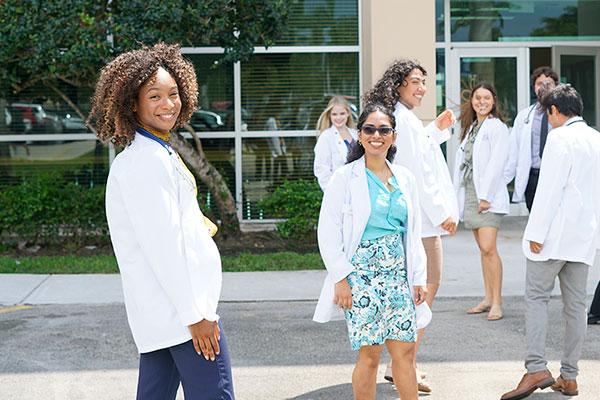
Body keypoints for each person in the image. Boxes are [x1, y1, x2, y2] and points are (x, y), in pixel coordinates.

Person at [88, 43, 234, 400]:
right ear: (132, 103)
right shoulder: (146, 162)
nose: (168, 104)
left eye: (173, 94)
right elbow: (165, 246)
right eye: (154, 96)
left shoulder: (151, 153)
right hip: (184, 317)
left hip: (162, 317)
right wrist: (196, 314)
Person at [313, 103, 431, 400]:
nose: (376, 135)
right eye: (369, 129)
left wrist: (419, 277)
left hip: (398, 275)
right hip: (360, 276)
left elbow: (413, 233)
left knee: (405, 352)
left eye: (384, 129)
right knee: (370, 356)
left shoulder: (405, 178)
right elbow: (327, 232)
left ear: (393, 136)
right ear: (359, 134)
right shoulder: (345, 177)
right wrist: (341, 277)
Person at [363, 59, 458, 392]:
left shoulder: (402, 118)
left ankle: (402, 363)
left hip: (412, 220)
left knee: (417, 292)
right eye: (415, 81)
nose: (422, 88)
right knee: (425, 289)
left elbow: (416, 154)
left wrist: (436, 130)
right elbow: (419, 175)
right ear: (399, 84)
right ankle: (404, 365)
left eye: (424, 82)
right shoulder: (403, 119)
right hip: (423, 222)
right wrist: (443, 212)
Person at [501, 84, 600, 400]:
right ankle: (569, 377)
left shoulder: (559, 138)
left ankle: (536, 368)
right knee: (576, 307)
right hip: (583, 238)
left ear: (555, 111)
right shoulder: (597, 139)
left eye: (548, 114)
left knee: (537, 298)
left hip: (553, 236)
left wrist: (534, 233)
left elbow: (548, 191)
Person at [453, 82, 510, 321]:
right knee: (482, 250)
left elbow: (497, 163)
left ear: (494, 101)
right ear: (472, 101)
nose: (482, 102)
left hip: (487, 194)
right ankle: (487, 298)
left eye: (487, 98)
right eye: (478, 98)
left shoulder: (497, 127)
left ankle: (497, 302)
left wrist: (486, 197)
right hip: (470, 190)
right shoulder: (472, 127)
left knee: (489, 248)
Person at [504, 66, 558, 211]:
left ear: (556, 87)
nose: (544, 87)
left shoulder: (565, 114)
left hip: (556, 174)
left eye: (549, 84)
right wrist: (504, 180)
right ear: (534, 87)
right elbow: (513, 150)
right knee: (535, 219)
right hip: (533, 177)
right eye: (540, 84)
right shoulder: (524, 116)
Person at [313, 95, 357, 190]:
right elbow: (321, 168)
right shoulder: (326, 137)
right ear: (329, 115)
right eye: (334, 114)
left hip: (357, 188)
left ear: (348, 113)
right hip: (338, 189)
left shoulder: (355, 134)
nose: (338, 118)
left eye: (342, 113)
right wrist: (331, 190)